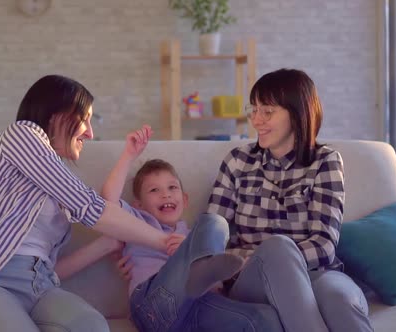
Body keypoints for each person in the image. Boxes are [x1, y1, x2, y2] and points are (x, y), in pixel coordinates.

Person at [0, 74, 180, 332]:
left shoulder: (56, 182)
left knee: (93, 326)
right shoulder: (21, 134)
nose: (90, 133)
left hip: (40, 288)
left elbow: (49, 267)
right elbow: (90, 207)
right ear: (57, 115)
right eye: (85, 119)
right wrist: (164, 241)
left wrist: (107, 245)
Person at [207, 68, 374, 332]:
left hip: (318, 273)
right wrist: (260, 258)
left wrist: (284, 260)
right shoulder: (238, 161)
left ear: (297, 115)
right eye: (254, 109)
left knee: (340, 298)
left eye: (268, 112)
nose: (256, 120)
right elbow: (211, 241)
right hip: (252, 280)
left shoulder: (325, 162)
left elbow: (324, 244)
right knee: (277, 249)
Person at [102, 125, 284, 332]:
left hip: (195, 309)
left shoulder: (193, 235)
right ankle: (198, 266)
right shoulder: (137, 220)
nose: (166, 195)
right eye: (154, 190)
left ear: (185, 199)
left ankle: (202, 267)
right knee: (214, 223)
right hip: (154, 304)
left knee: (265, 318)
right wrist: (129, 155)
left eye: (172, 188)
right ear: (139, 205)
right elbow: (108, 202)